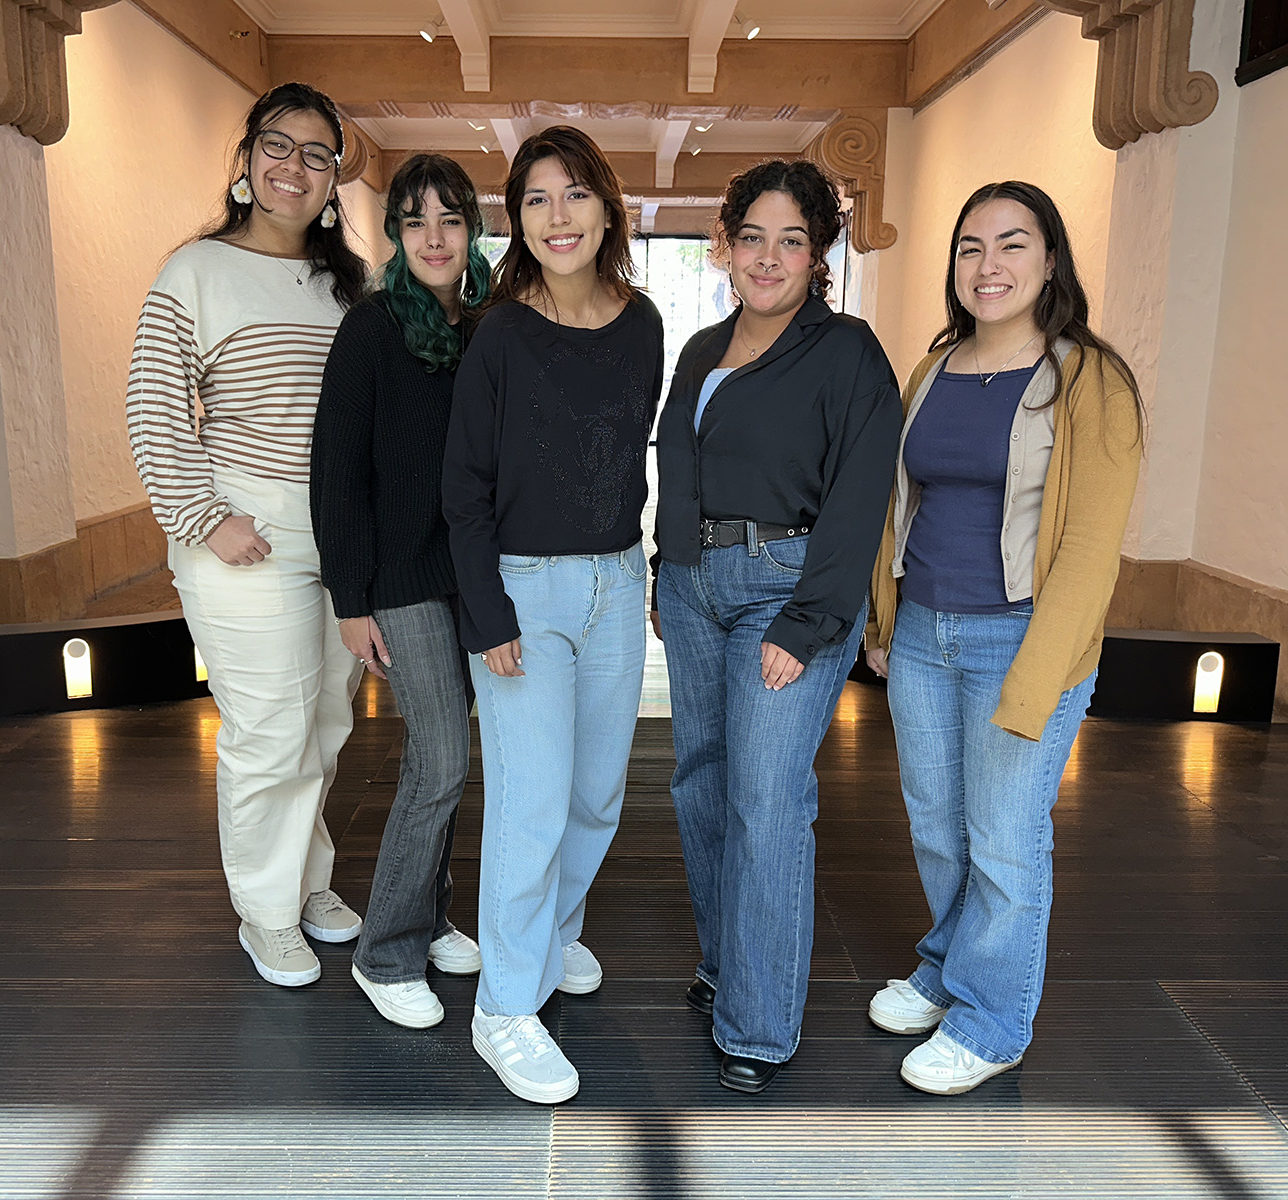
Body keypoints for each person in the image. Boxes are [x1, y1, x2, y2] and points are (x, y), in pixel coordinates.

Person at [864, 181, 1144, 1094]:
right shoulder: (934, 369)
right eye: (971, 248)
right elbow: (898, 502)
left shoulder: (1088, 381)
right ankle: (948, 968)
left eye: (1013, 245)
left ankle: (993, 1021)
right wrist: (883, 617)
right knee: (938, 828)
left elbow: (1093, 546)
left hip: (1021, 638)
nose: (990, 267)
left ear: (1051, 260)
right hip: (923, 635)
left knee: (1005, 836)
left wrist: (1038, 674)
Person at [652, 159, 902, 1094]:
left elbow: (861, 494)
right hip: (694, 587)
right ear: (725, 246)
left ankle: (757, 1025)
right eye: (751, 237)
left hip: (788, 589)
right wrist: (665, 571)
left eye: (791, 239)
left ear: (818, 254)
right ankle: (729, 962)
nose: (768, 257)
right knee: (700, 786)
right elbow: (677, 466)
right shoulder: (701, 348)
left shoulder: (847, 353)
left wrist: (810, 621)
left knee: (767, 801)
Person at [126, 82, 370, 989]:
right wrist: (203, 519)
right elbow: (153, 407)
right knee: (269, 730)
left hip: (336, 534)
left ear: (333, 179)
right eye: (279, 145)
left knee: (326, 723)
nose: (295, 167)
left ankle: (305, 884)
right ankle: (265, 914)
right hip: (244, 532)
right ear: (245, 160)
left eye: (317, 154)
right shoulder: (193, 270)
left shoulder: (349, 284)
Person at [443, 126, 663, 1105]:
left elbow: (624, 458)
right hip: (523, 588)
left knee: (597, 796)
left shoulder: (643, 321)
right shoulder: (498, 333)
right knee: (530, 808)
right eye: (536, 199)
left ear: (607, 209)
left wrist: (642, 574)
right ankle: (503, 1007)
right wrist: (487, 614)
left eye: (574, 194)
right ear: (517, 220)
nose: (558, 215)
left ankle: (549, 938)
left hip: (616, 583)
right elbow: (464, 487)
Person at [310, 154, 490, 1028]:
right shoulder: (372, 328)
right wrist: (351, 600)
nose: (432, 236)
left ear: (473, 229)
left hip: (475, 577)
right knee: (440, 758)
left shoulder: (490, 324)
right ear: (394, 233)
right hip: (403, 578)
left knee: (449, 760)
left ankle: (432, 913)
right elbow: (335, 472)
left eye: (449, 219)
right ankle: (385, 952)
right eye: (414, 219)